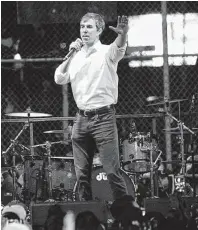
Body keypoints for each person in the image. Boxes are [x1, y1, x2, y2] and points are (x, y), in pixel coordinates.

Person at [54, 12, 139, 217]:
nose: (84, 30)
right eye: (82, 26)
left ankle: (127, 216)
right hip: (81, 119)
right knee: (82, 174)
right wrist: (72, 54)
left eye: (89, 27)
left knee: (112, 171)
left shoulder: (106, 52)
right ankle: (86, 216)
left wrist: (123, 34)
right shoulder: (76, 55)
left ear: (99, 30)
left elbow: (119, 48)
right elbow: (59, 78)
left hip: (103, 118)